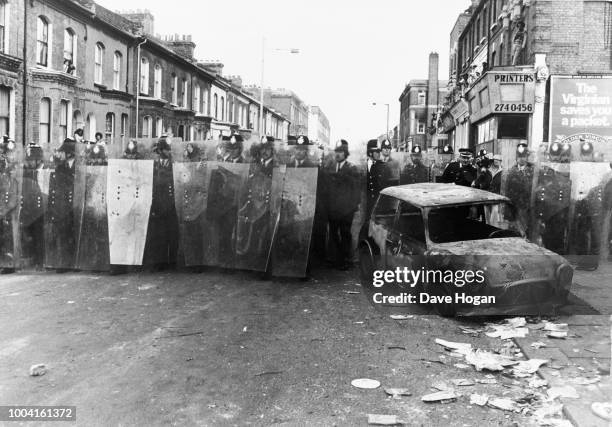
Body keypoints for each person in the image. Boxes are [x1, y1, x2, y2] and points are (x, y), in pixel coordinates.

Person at [143, 137, 179, 270]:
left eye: (169, 149)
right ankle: (160, 262)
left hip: (171, 203)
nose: (169, 152)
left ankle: (173, 262)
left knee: (172, 234)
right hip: (158, 204)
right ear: (160, 150)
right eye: (166, 149)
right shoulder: (154, 165)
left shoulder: (174, 164)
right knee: (159, 234)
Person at [324, 140, 361, 270]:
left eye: (341, 152)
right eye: (337, 152)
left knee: (345, 233)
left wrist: (352, 206)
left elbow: (356, 190)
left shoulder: (352, 169)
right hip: (333, 208)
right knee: (333, 233)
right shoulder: (330, 168)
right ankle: (335, 258)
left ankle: (345, 259)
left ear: (346, 154)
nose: (338, 154)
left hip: (346, 210)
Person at [47, 138, 77, 272]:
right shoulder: (60, 167)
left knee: (73, 235)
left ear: (69, 153)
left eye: (63, 152)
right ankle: (63, 263)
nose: (61, 155)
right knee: (62, 235)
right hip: (62, 206)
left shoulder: (80, 165)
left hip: (75, 206)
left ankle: (74, 262)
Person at [21, 142, 46, 268]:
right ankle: (30, 258)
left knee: (38, 234)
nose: (30, 162)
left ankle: (39, 261)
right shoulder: (26, 171)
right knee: (28, 232)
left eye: (32, 160)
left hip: (39, 206)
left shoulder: (43, 171)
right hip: (27, 204)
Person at [505, 143, 535, 235]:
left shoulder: (534, 171)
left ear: (527, 157)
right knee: (514, 234)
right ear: (516, 158)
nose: (521, 159)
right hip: (514, 207)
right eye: (519, 156)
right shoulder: (511, 171)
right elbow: (507, 192)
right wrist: (508, 211)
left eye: (524, 156)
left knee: (528, 234)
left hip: (528, 208)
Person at [0, 138, 19, 273]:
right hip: (2, 207)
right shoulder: (3, 169)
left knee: (9, 236)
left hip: (10, 209)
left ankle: (9, 264)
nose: (7, 155)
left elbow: (12, 193)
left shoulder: (13, 168)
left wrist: (4, 210)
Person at [365, 139, 389, 217]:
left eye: (379, 151)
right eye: (377, 152)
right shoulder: (362, 166)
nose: (379, 154)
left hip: (378, 206)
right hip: (365, 206)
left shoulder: (383, 166)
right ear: (370, 153)